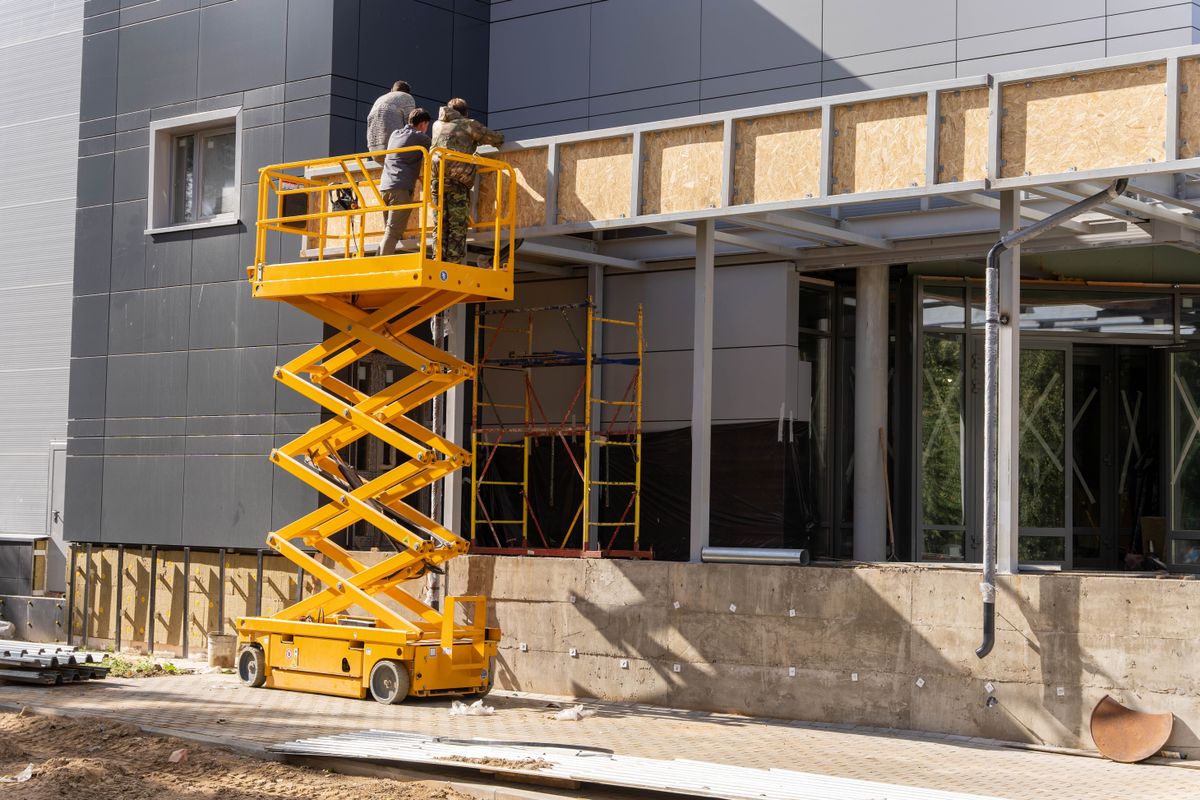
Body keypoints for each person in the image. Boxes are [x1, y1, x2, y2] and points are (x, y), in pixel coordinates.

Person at [430, 98, 503, 264]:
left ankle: (437, 259)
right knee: (457, 225)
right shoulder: (468, 124)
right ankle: (453, 262)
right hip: (457, 181)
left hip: (436, 180)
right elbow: (496, 138)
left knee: (439, 223)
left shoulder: (437, 125)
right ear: (465, 112)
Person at [378, 108, 432, 256]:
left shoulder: (395, 134)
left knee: (388, 231)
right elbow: (437, 149)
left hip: (384, 187)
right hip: (401, 188)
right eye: (427, 126)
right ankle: (382, 267)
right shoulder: (419, 137)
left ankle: (379, 261)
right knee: (393, 233)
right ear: (422, 124)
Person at [366, 80, 415, 154]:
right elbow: (412, 123)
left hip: (373, 150)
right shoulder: (407, 97)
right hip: (393, 147)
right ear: (407, 92)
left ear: (391, 90)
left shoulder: (379, 99)